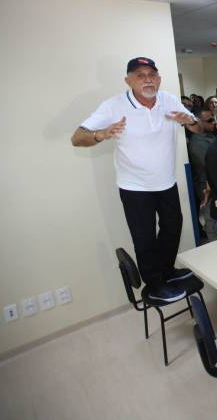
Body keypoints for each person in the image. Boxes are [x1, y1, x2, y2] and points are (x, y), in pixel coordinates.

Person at [71, 57, 201, 302]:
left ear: (159, 78)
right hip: (135, 187)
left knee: (172, 229)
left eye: (152, 74)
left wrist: (191, 122)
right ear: (128, 80)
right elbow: (77, 137)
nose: (147, 79)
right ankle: (154, 284)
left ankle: (166, 271)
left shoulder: (169, 100)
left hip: (167, 182)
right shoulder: (113, 106)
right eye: (140, 75)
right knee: (145, 238)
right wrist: (101, 134)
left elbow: (198, 128)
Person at [187, 108, 216, 238]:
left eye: (214, 118)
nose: (214, 122)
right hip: (207, 188)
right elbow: (209, 165)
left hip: (215, 185)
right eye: (210, 120)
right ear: (198, 122)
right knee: (212, 223)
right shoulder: (197, 142)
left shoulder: (210, 135)